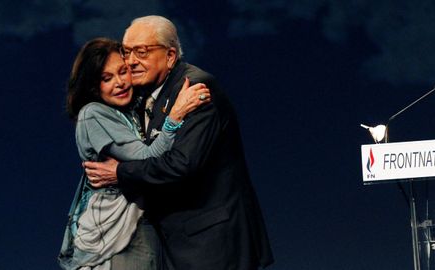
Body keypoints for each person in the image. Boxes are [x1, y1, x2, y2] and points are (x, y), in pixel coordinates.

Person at [84, 15, 274, 270]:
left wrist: (119, 173)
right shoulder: (145, 94)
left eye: (141, 52)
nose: (131, 62)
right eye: (127, 52)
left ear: (170, 56)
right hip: (179, 243)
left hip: (211, 244)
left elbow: (180, 165)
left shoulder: (195, 89)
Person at [58, 37, 210, 270]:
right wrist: (175, 116)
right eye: (106, 78)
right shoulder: (93, 114)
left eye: (123, 71)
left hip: (136, 225)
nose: (119, 83)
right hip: (112, 236)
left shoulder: (130, 111)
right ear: (93, 86)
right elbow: (148, 157)